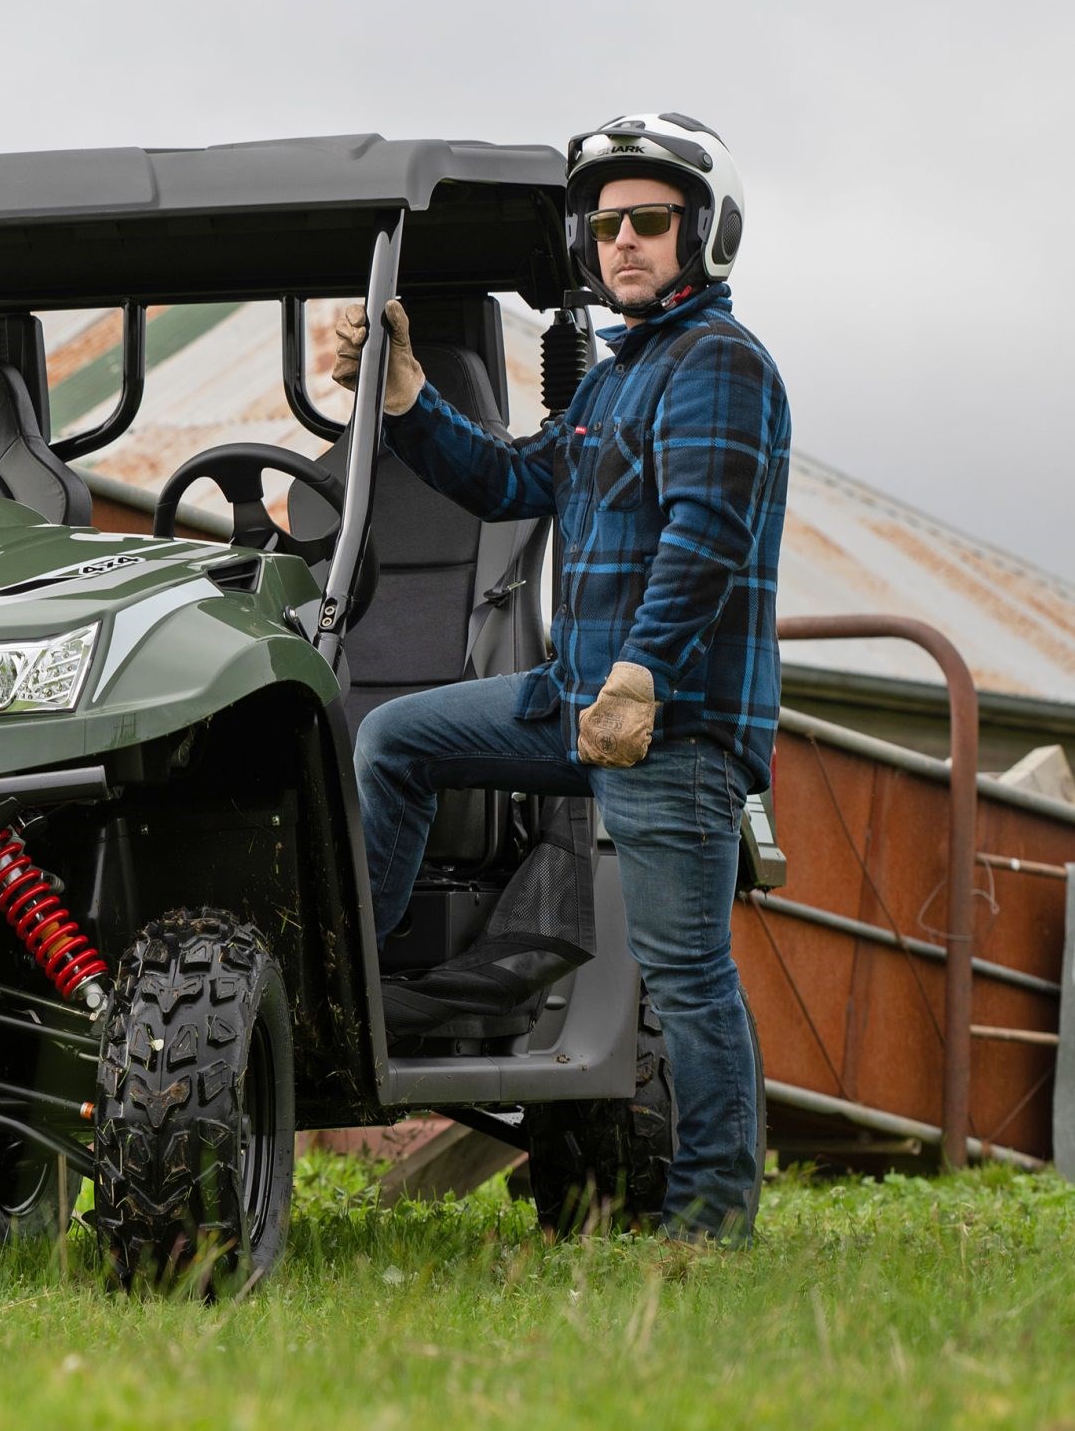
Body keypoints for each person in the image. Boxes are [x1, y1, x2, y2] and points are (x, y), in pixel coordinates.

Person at [333, 113, 791, 1240]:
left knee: (684, 973)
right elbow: (507, 480)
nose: (622, 240)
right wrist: (405, 394)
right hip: (575, 702)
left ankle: (711, 1221)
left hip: (667, 721)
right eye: (607, 224)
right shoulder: (616, 381)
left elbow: (706, 536)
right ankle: (356, 988)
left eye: (650, 221)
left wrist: (640, 673)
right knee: (397, 739)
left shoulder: (719, 365)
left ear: (705, 233)